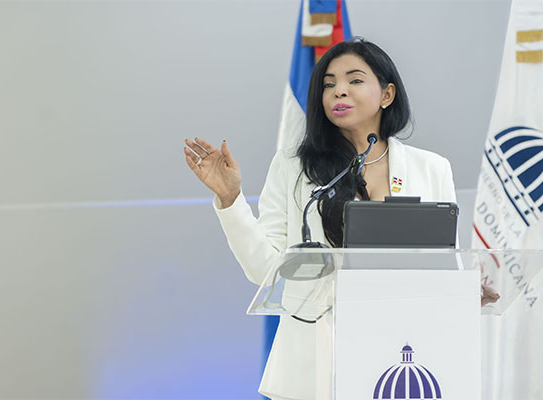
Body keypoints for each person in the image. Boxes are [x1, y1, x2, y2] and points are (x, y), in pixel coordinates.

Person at [183, 38, 457, 400]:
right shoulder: (293, 167)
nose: (339, 91)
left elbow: (443, 266)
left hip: (401, 356)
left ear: (387, 94)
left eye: (354, 80)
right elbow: (264, 269)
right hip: (314, 361)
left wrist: (466, 288)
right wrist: (230, 199)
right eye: (329, 84)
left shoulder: (431, 169)